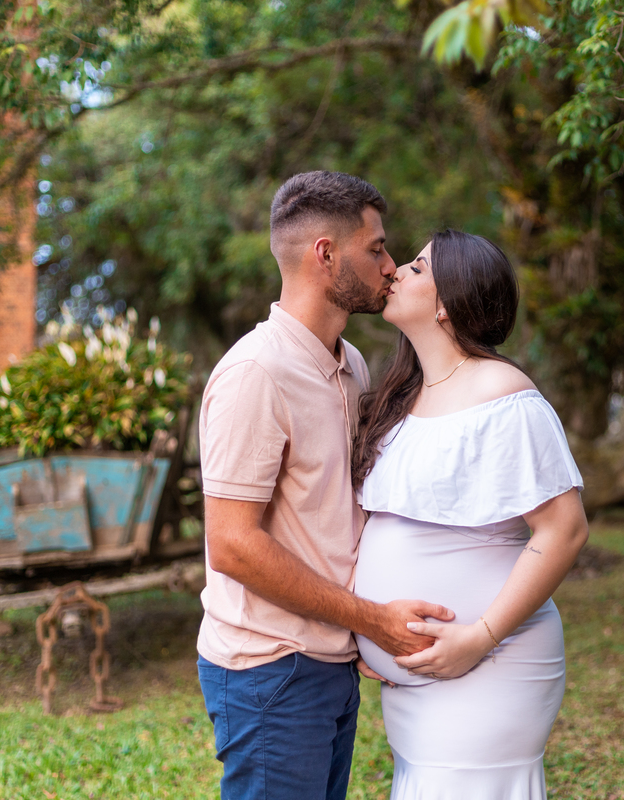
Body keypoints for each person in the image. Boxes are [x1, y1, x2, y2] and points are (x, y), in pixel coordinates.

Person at [196, 171, 454, 800]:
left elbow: (334, 517)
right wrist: (371, 619)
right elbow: (232, 545)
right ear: (325, 254)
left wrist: (357, 634)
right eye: (377, 248)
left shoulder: (351, 364)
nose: (390, 266)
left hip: (329, 657)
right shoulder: (255, 373)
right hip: (270, 670)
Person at [351, 229, 590, 799]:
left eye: (417, 267)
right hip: (416, 679)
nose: (395, 270)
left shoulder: (503, 392)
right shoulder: (401, 398)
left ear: (447, 303)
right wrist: (369, 630)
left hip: (491, 663)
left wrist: (479, 638)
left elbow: (564, 529)